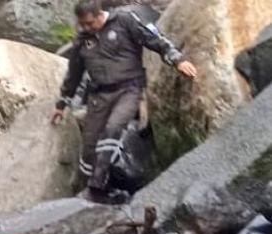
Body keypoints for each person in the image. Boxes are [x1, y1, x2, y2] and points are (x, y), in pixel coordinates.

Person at [51, 0, 197, 203]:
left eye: (90, 23)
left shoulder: (125, 20)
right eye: (82, 24)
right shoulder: (82, 40)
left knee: (112, 129)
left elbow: (154, 39)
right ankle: (84, 188)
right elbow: (73, 75)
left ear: (99, 14)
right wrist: (61, 104)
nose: (86, 28)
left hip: (129, 89)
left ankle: (96, 188)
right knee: (89, 144)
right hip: (99, 95)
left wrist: (177, 59)